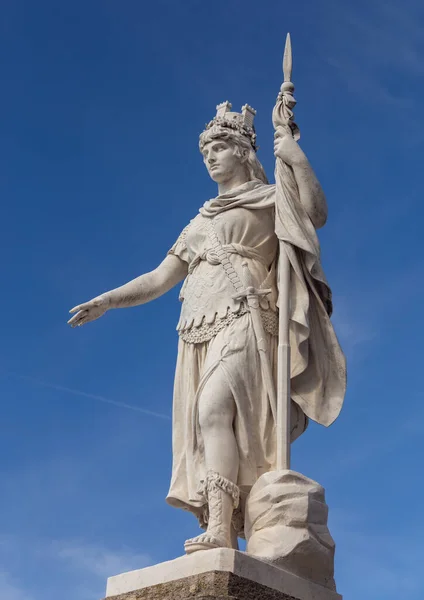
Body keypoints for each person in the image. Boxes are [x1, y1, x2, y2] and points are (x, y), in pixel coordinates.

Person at [68, 103, 345, 554]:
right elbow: (159, 278)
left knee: (213, 407)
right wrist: (108, 300)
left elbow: (314, 213)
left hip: (249, 317)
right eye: (206, 151)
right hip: (198, 327)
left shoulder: (270, 197)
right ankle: (224, 526)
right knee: (207, 421)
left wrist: (294, 154)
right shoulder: (199, 221)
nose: (211, 158)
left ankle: (220, 527)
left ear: (241, 151)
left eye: (219, 147)